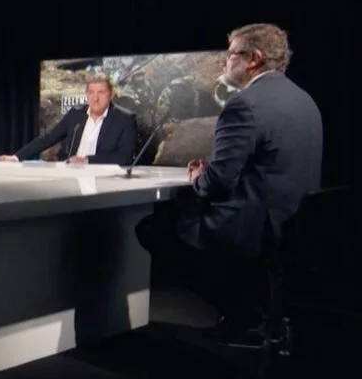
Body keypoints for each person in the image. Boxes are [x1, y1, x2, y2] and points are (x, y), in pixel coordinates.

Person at [136, 23, 323, 339]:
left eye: (232, 53)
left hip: (252, 228)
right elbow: (270, 162)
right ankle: (250, 309)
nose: (225, 61)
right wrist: (213, 169)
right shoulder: (304, 99)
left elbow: (217, 183)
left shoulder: (244, 104)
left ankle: (242, 313)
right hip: (293, 224)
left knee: (153, 228)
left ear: (254, 59)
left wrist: (200, 176)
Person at [0, 73, 138, 165]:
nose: (95, 98)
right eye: (91, 92)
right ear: (86, 94)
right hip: (73, 176)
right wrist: (16, 157)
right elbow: (48, 138)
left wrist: (87, 161)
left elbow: (124, 156)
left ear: (111, 94)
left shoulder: (124, 119)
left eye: (101, 92)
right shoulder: (76, 114)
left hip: (106, 180)